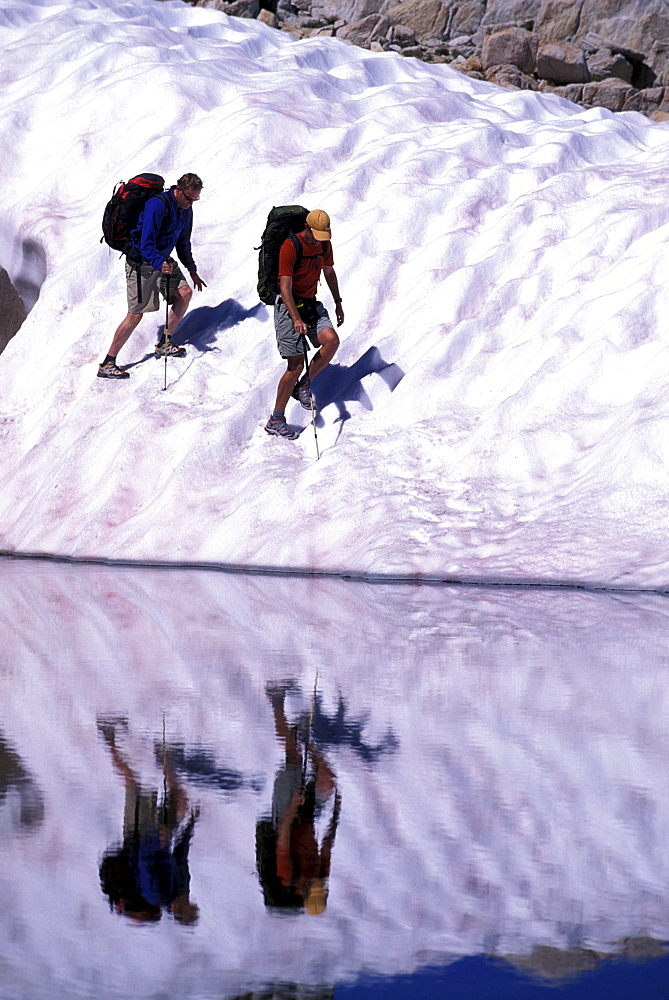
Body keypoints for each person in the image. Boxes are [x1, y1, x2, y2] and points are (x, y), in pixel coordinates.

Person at [98, 172, 207, 379]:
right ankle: (107, 363)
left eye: (196, 199)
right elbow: (146, 243)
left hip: (162, 260)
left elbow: (183, 242)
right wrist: (160, 263)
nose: (192, 203)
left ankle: (165, 342)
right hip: (142, 263)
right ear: (179, 190)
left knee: (184, 293)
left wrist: (192, 270)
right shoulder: (157, 205)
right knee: (135, 315)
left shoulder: (186, 210)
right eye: (190, 198)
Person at [265, 209, 344, 439]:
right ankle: (276, 419)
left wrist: (338, 302)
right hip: (288, 306)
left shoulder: (324, 245)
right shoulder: (291, 246)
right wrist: (296, 319)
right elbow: (285, 288)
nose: (320, 238)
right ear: (307, 228)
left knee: (331, 341)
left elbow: (329, 272)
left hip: (310, 303)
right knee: (295, 365)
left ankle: (303, 386)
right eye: (317, 233)